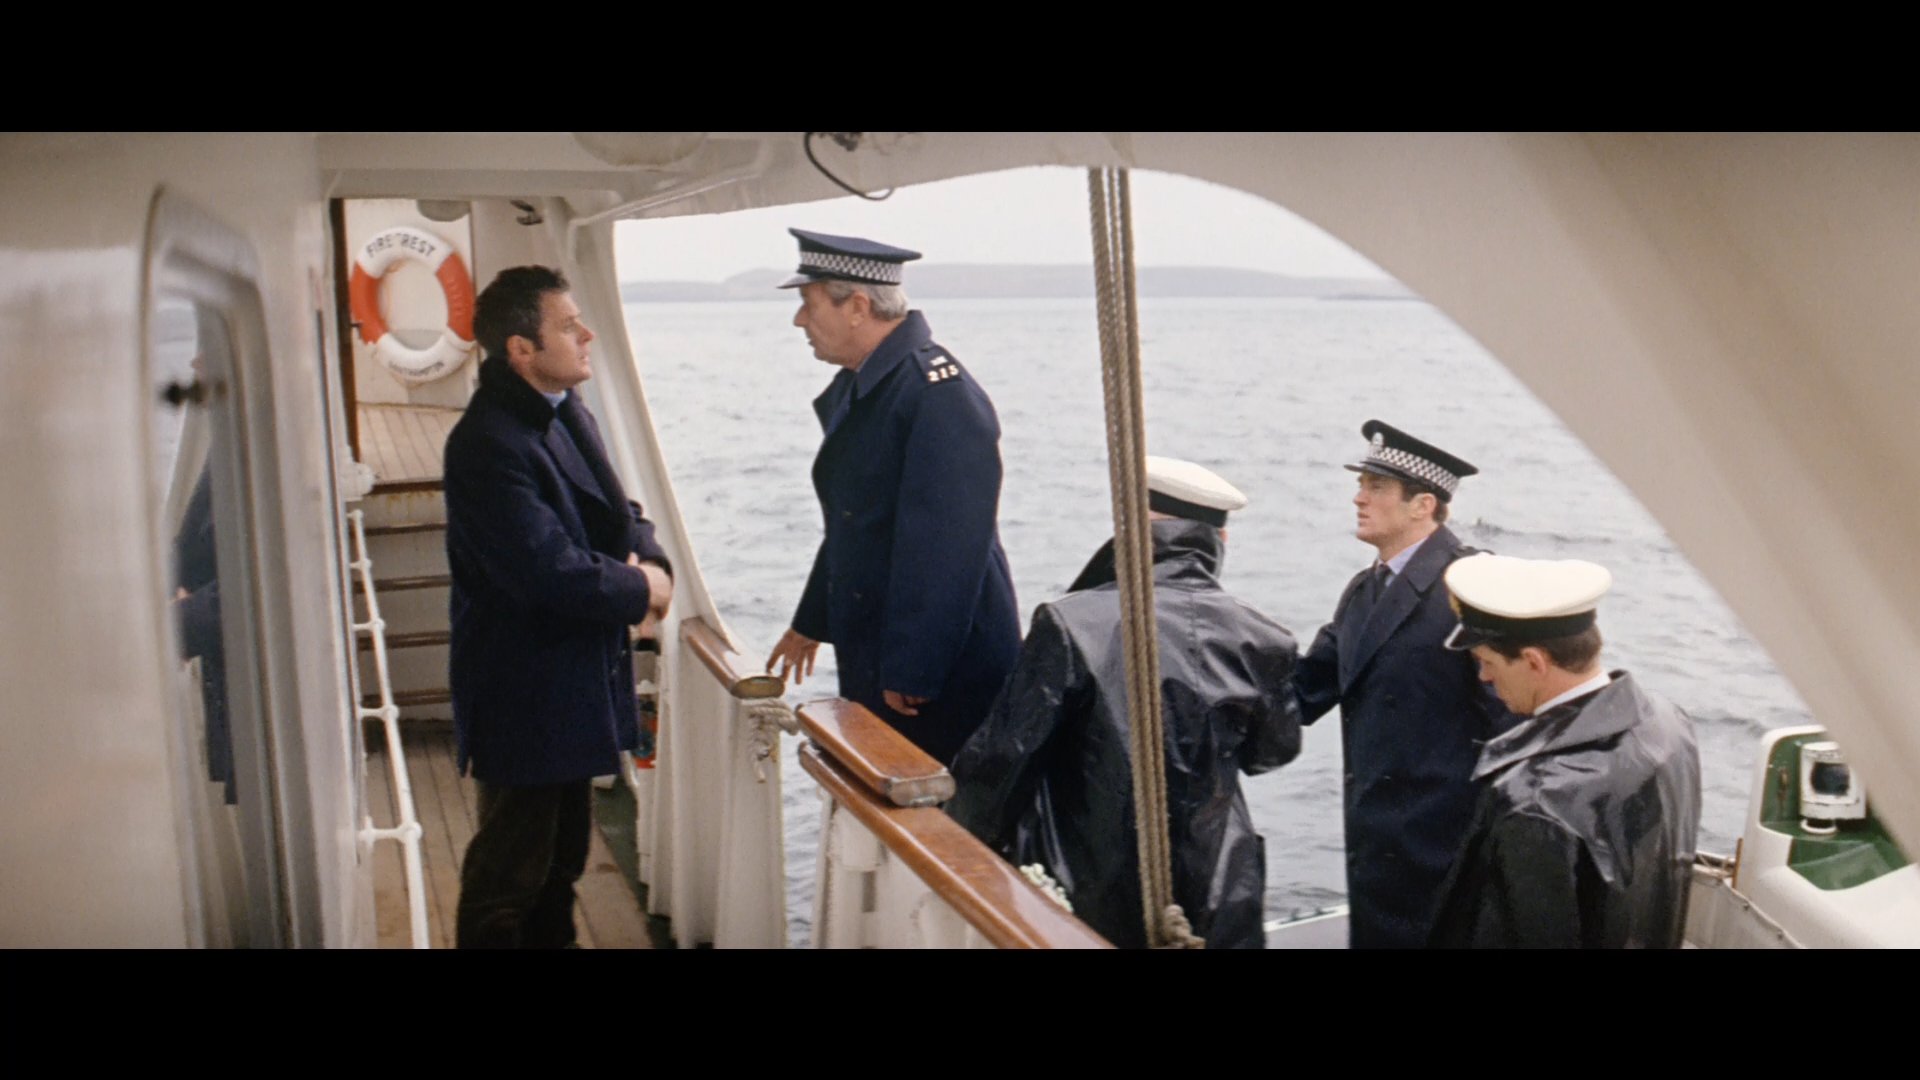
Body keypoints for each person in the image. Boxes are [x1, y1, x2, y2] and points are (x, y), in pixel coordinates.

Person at [946, 457, 1303, 948]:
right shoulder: (1266, 640)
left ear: (1129, 525)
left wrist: (953, 840)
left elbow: (1001, 763)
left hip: (1090, 891)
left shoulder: (1070, 624)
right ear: (1220, 540)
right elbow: (1271, 754)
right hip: (1220, 892)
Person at [443, 265, 673, 949]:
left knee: (561, 861)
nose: (586, 334)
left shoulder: (564, 409)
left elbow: (619, 512)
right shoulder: (487, 443)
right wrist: (643, 591)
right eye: (569, 327)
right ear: (522, 349)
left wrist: (652, 562)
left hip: (571, 680)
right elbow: (547, 572)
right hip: (523, 689)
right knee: (507, 877)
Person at [764, 229, 1020, 765]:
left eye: (809, 304)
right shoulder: (872, 386)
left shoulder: (937, 394)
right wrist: (811, 622)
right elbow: (857, 522)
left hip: (938, 677)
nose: (799, 321)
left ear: (858, 307)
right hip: (886, 656)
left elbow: (949, 546)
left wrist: (915, 670)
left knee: (935, 804)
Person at [1291, 420, 1515, 948]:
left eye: (1376, 487)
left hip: (1448, 857)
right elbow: (1300, 691)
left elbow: (1516, 724)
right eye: (1360, 485)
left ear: (1423, 505)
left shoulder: (1473, 587)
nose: (1358, 498)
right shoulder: (1363, 592)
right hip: (1377, 852)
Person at [1428, 554, 1701, 947]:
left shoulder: (1534, 799)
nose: (1484, 676)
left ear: (1534, 661)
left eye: (1487, 661)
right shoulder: (1669, 721)